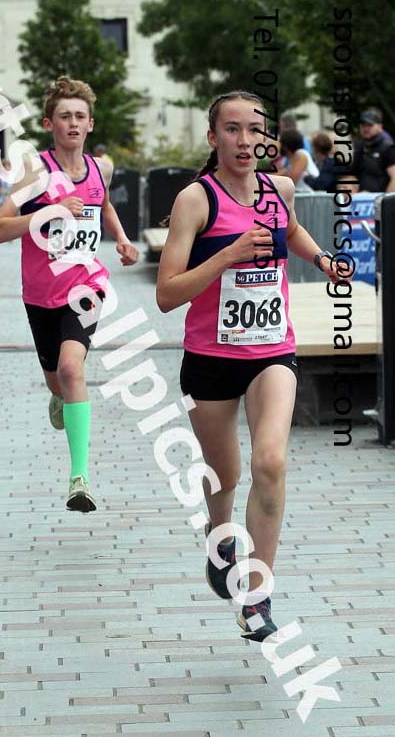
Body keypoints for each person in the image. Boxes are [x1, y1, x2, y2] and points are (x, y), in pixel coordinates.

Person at [156, 91, 348, 641]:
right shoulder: (196, 200)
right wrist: (228, 255)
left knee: (270, 461)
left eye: (254, 131)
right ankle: (220, 538)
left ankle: (258, 597)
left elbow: (288, 230)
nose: (245, 141)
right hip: (211, 359)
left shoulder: (279, 188)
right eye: (233, 130)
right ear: (214, 137)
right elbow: (167, 295)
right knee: (228, 474)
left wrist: (320, 259)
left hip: (271, 350)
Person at [0, 76, 139, 513]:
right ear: (48, 123)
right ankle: (57, 396)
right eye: (64, 117)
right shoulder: (34, 171)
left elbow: (102, 204)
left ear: (90, 124)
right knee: (58, 378)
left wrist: (122, 239)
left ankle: (79, 477)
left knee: (74, 370)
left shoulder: (100, 168)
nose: (72, 124)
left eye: (79, 117)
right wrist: (50, 211)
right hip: (40, 294)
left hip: (86, 285)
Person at [347, 110, 395, 193]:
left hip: (380, 200)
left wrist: (385, 201)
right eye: (363, 125)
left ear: (380, 127)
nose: (366, 128)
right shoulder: (359, 147)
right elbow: (353, 175)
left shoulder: (388, 148)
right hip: (362, 199)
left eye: (370, 125)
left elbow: (394, 178)